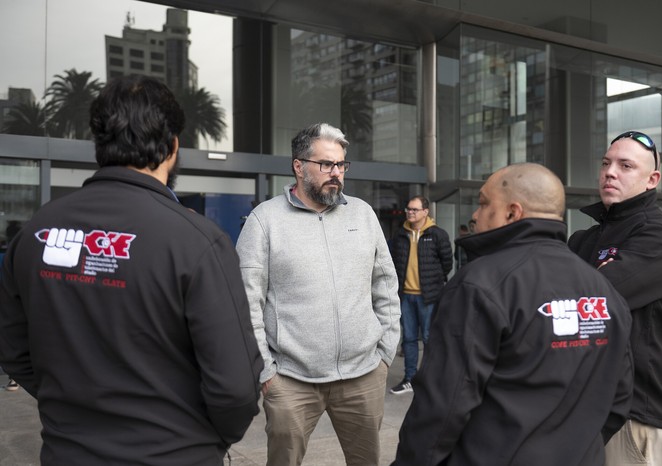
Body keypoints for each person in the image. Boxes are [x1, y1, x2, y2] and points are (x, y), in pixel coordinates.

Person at [0, 75, 263, 466]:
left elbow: (12, 348)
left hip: (68, 452)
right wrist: (204, 437)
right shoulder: (197, 241)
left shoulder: (36, 232)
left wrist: (73, 407)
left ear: (99, 145)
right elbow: (236, 388)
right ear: (173, 146)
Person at [392, 163, 634, 466]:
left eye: (482, 203)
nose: (475, 215)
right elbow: (620, 397)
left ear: (512, 212)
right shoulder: (604, 290)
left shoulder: (479, 284)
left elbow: (442, 406)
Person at [236, 122, 401, 466]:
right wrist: (267, 373)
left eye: (341, 165)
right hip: (292, 382)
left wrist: (385, 355)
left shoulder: (363, 214)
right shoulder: (264, 221)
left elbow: (385, 285)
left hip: (364, 376)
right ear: (299, 166)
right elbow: (246, 303)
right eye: (326, 164)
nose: (336, 173)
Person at [568, 131, 662, 466]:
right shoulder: (585, 238)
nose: (610, 171)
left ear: (652, 179)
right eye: (606, 163)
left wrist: (577, 285)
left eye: (625, 165)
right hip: (577, 404)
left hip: (631, 412)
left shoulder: (659, 235)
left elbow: (589, 301)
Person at [390, 195, 452, 395]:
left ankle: (431, 379)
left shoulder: (437, 234)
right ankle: (410, 379)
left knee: (429, 338)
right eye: (408, 209)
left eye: (415, 209)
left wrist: (434, 284)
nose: (410, 212)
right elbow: (394, 261)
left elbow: (447, 264)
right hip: (406, 296)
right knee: (408, 339)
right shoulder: (400, 234)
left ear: (426, 211)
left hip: (428, 297)